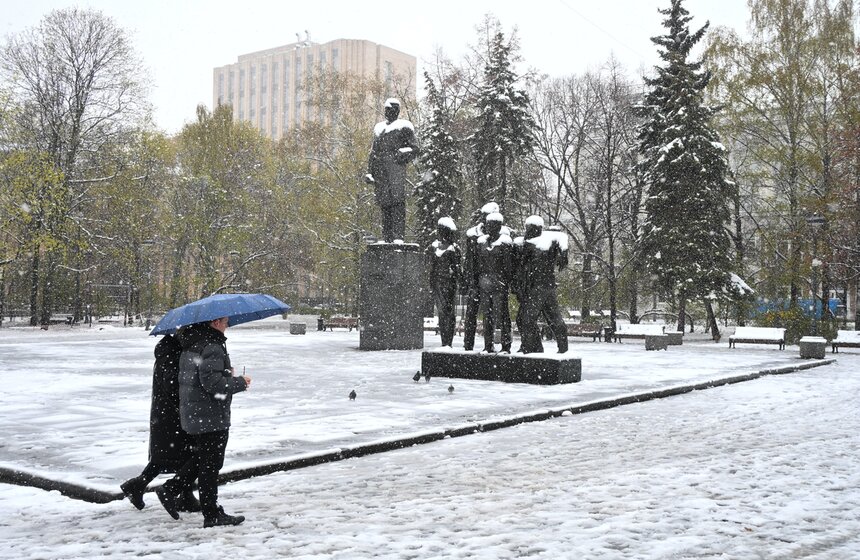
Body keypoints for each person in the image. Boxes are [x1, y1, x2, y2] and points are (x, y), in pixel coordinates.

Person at [156, 317, 251, 528]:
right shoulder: (212, 346)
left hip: (196, 412)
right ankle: (212, 514)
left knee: (204, 459)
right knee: (210, 464)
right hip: (210, 415)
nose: (227, 325)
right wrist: (239, 382)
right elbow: (213, 384)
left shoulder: (192, 343)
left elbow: (198, 378)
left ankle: (170, 489)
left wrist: (225, 373)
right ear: (216, 322)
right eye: (225, 322)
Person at [120, 332, 200, 512]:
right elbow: (172, 383)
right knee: (182, 453)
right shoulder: (172, 351)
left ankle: (139, 485)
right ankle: (182, 495)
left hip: (169, 412)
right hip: (172, 413)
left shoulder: (172, 349)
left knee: (170, 455)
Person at [365, 98, 419, 243]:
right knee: (385, 203)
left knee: (397, 202)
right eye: (386, 109)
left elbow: (414, 148)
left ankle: (398, 237)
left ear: (396, 110)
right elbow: (373, 152)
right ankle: (387, 237)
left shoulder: (404, 126)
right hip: (380, 170)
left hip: (395, 169)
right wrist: (369, 172)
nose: (387, 112)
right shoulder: (379, 128)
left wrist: (401, 155)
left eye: (389, 109)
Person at [516, 216, 569, 354]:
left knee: (527, 319)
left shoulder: (544, 244)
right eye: (527, 228)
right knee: (551, 317)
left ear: (538, 229)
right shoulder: (529, 244)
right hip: (539, 287)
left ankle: (530, 347)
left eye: (531, 228)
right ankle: (541, 347)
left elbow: (561, 236)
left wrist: (564, 252)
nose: (528, 231)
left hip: (539, 286)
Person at [461, 202, 507, 351]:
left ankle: (497, 345)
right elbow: (469, 259)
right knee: (471, 314)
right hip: (476, 279)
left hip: (492, 281)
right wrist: (468, 279)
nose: (486, 220)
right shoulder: (473, 234)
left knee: (495, 314)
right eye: (484, 217)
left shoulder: (504, 235)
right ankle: (468, 344)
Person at [476, 212, 514, 353]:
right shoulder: (481, 243)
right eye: (488, 225)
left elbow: (509, 267)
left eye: (492, 225)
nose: (489, 227)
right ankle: (488, 345)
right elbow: (477, 265)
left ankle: (506, 346)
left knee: (502, 316)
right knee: (487, 316)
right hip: (484, 285)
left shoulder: (505, 243)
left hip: (499, 285)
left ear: (498, 227)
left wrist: (508, 282)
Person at [429, 217, 462, 347]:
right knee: (442, 313)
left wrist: (458, 280)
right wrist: (431, 284)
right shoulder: (435, 248)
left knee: (449, 312)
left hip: (449, 284)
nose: (440, 233)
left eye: (442, 230)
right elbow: (431, 268)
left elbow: (457, 269)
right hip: (438, 284)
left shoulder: (453, 249)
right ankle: (444, 342)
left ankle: (448, 342)